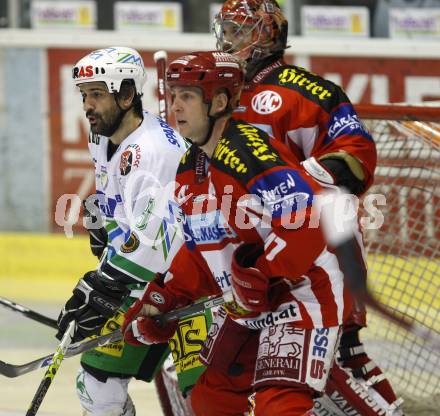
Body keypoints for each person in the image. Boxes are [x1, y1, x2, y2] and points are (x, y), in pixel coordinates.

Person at [122, 50, 354, 416]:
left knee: (280, 407)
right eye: (173, 94)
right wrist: (165, 298)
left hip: (302, 294)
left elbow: (307, 220)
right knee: (211, 399)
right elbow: (205, 249)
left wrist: (264, 271)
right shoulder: (191, 166)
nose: (175, 106)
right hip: (248, 303)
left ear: (219, 101)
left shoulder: (247, 150)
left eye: (187, 96)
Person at [213, 1, 403, 414]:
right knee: (280, 372)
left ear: (267, 35)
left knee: (344, 357)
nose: (228, 40)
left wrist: (293, 189)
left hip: (323, 242)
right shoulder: (222, 92)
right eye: (225, 29)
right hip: (267, 251)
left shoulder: (306, 90)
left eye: (239, 31)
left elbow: (356, 153)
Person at [56, 46, 188, 415]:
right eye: (84, 95)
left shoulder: (153, 151)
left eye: (97, 94)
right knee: (98, 385)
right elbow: (116, 199)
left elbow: (155, 242)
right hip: (144, 282)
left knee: (205, 400)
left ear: (127, 94)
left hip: (192, 287)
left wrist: (100, 288)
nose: (87, 106)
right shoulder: (102, 136)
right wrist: (104, 222)